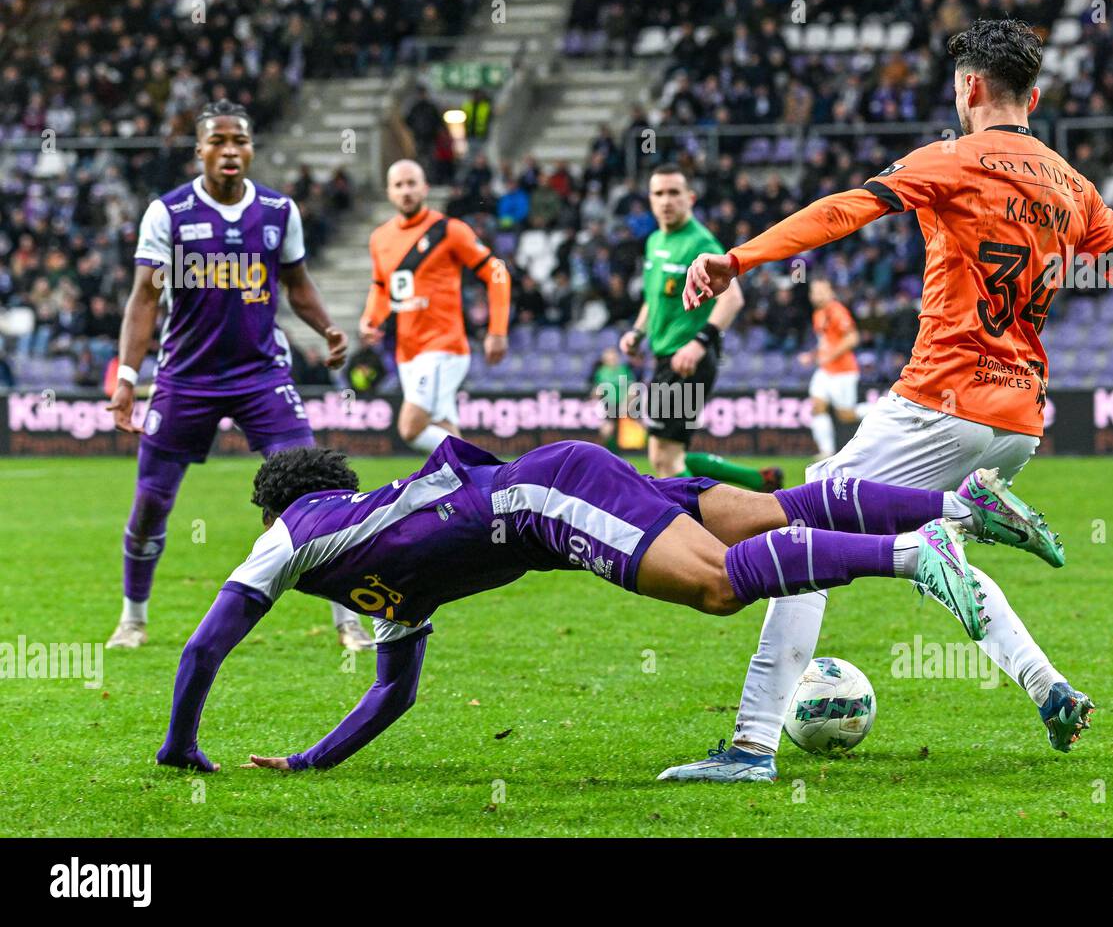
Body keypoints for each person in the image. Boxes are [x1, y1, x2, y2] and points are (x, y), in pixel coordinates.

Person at [664, 19, 1113, 781]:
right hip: (1018, 422)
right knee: (922, 549)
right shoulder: (1074, 186)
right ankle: (1046, 683)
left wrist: (738, 259)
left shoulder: (950, 159)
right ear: (1035, 94)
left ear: (970, 88)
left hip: (942, 402)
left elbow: (843, 211)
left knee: (805, 530)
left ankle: (754, 745)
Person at [154, 437, 1063, 773]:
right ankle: (961, 506)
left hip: (547, 498)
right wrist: (312, 762)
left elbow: (204, 647)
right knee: (772, 512)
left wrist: (180, 745)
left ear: (276, 507)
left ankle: (911, 554)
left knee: (715, 584)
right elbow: (396, 693)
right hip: (555, 490)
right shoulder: (383, 581)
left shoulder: (302, 527)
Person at [106, 100, 373, 652]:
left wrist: (327, 329)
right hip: (185, 378)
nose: (230, 151)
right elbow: (144, 300)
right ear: (199, 150)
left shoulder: (278, 211)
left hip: (262, 375)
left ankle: (348, 623)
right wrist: (129, 376)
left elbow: (297, 285)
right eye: (218, 141)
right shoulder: (169, 213)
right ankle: (133, 618)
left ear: (251, 149)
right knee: (152, 501)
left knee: (316, 493)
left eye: (240, 141)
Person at [619, 164, 782, 490]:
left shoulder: (699, 242)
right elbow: (654, 298)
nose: (666, 201)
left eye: (674, 193)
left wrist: (698, 343)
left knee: (666, 459)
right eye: (659, 193)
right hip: (667, 357)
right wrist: (638, 332)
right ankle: (760, 480)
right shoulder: (654, 241)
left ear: (690, 198)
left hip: (688, 359)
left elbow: (732, 298)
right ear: (650, 200)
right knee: (664, 454)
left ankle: (695, 527)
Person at [360, 159, 511, 453]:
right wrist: (370, 319)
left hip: (443, 346)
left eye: (412, 184)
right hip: (407, 352)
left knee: (410, 427)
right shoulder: (380, 238)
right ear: (389, 192)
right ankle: (479, 488)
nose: (406, 191)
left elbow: (497, 272)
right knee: (445, 432)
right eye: (399, 185)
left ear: (425, 188)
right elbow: (381, 287)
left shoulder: (449, 230)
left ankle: (491, 473)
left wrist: (497, 330)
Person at [799, 278, 861, 460]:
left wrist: (829, 356)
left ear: (830, 292)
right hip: (826, 371)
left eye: (820, 291)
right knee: (817, 406)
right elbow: (826, 343)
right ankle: (826, 452)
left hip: (843, 371)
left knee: (846, 415)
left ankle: (879, 409)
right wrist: (812, 356)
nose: (816, 295)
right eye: (814, 292)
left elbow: (852, 338)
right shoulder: (818, 314)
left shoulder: (837, 311)